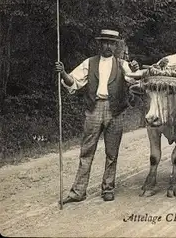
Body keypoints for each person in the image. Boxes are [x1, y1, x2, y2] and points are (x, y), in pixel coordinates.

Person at [55, 29, 139, 204]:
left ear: (116, 46)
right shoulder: (89, 63)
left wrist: (135, 70)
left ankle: (108, 188)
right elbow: (73, 82)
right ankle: (78, 191)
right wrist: (62, 72)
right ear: (99, 44)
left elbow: (134, 80)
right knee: (86, 151)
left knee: (112, 153)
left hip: (115, 111)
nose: (108, 46)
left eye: (111, 43)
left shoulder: (123, 64)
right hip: (94, 109)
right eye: (104, 42)